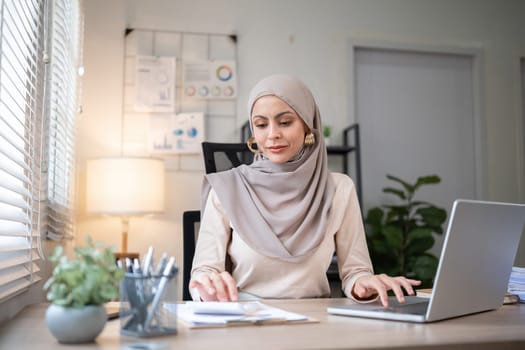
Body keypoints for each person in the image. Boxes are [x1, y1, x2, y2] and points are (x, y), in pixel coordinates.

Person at [189, 74, 420, 306]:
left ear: (308, 125)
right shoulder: (227, 188)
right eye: (260, 125)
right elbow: (204, 270)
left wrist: (363, 284)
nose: (272, 134)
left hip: (316, 321)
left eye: (285, 122)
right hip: (249, 321)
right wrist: (208, 284)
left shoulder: (339, 188)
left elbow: (355, 272)